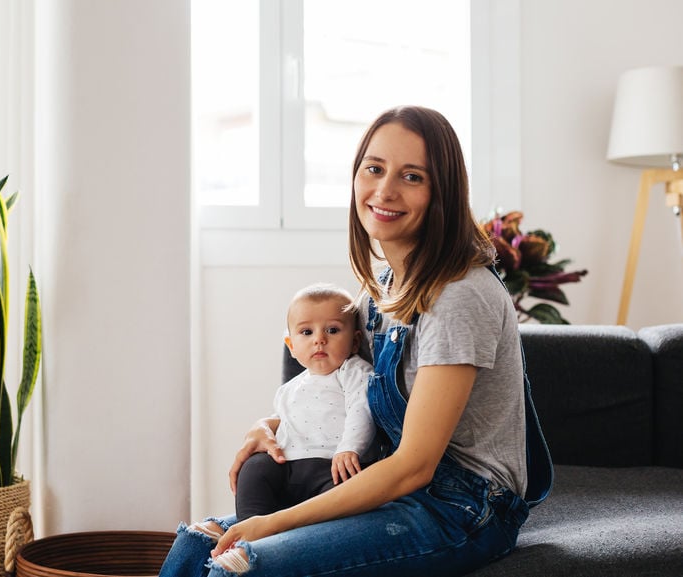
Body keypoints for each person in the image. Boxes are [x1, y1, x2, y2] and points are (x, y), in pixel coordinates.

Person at [159, 105, 552, 577]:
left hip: (463, 507)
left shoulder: (460, 295)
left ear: (440, 192)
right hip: (392, 485)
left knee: (240, 566)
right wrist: (266, 427)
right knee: (193, 548)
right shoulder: (380, 290)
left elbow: (414, 466)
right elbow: (341, 385)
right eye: (374, 168)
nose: (384, 190)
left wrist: (273, 524)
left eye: (411, 176)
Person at [234, 282, 375, 521]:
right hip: (287, 467)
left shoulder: (353, 372)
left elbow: (361, 409)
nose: (319, 339)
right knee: (255, 468)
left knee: (347, 492)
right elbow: (285, 421)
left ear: (354, 341)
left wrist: (350, 448)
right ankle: (250, 530)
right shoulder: (289, 389)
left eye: (332, 330)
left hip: (332, 468)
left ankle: (306, 533)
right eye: (307, 332)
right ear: (292, 346)